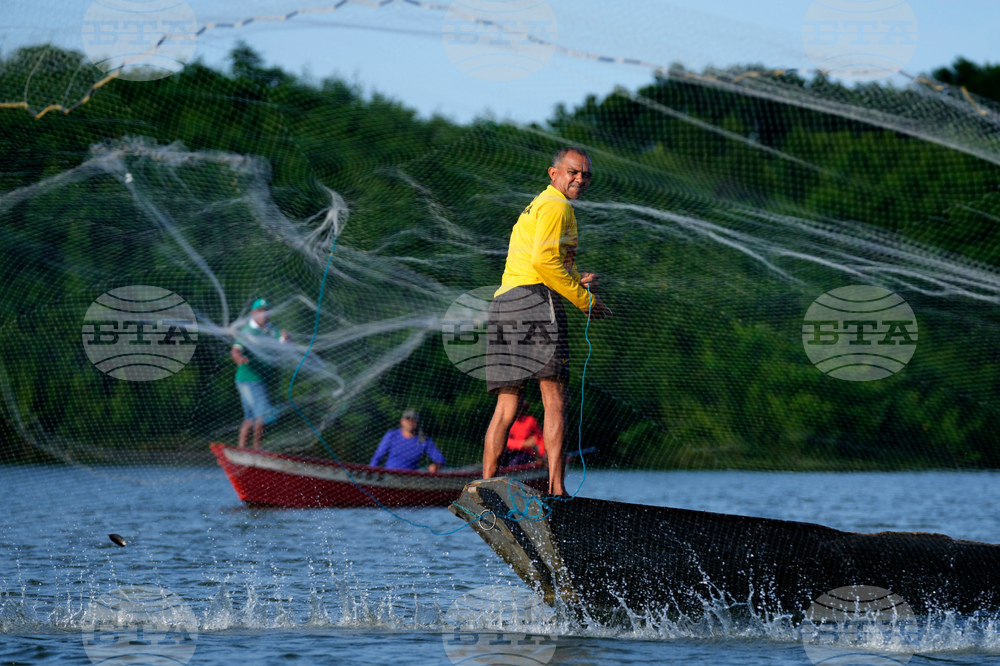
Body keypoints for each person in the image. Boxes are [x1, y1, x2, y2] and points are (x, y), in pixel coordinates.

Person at [483, 146, 613, 496]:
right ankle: (557, 489)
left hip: (504, 303)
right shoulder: (557, 205)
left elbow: (546, 260)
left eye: (586, 174)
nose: (580, 179)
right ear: (553, 173)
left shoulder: (539, 204)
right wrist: (585, 300)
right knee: (554, 399)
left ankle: (486, 486)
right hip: (535, 302)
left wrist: (574, 277)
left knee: (507, 403)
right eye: (573, 172)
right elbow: (543, 263)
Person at [231, 298, 290, 449]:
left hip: (260, 380)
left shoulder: (273, 330)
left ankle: (241, 451)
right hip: (249, 379)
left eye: (266, 311)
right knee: (262, 416)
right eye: (260, 311)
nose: (264, 315)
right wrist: (239, 358)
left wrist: (287, 339)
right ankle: (257, 450)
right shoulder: (247, 331)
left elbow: (285, 343)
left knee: (250, 419)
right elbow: (236, 350)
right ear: (253, 313)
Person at [370, 409, 446, 473]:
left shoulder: (424, 440)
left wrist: (436, 466)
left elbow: (440, 459)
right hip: (389, 475)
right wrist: (371, 471)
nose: (410, 422)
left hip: (410, 478)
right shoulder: (391, 435)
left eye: (413, 419)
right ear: (402, 421)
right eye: (407, 419)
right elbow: (378, 457)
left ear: (417, 422)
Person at [501, 397, 546, 467]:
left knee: (514, 463)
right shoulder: (507, 422)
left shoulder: (530, 420)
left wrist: (541, 456)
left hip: (526, 453)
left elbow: (540, 440)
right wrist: (523, 444)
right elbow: (502, 441)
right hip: (510, 452)